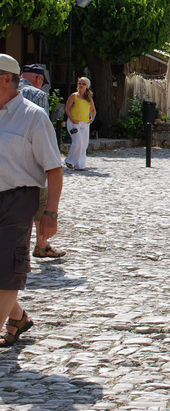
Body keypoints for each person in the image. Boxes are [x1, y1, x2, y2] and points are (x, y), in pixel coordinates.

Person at [0, 54, 63, 347]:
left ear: (4, 80)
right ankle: (18, 317)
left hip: (19, 199)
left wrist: (50, 213)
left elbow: (53, 168)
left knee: (8, 270)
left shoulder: (33, 116)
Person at [20, 65, 65, 258]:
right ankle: (41, 243)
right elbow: (43, 129)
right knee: (41, 200)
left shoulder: (10, 90)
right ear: (39, 79)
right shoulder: (37, 95)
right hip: (32, 157)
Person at [64, 77, 96, 171]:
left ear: (87, 86)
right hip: (74, 123)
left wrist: (92, 118)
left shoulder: (88, 98)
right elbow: (67, 108)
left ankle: (80, 165)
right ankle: (69, 160)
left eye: (83, 84)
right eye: (80, 83)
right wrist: (72, 119)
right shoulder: (74, 96)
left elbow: (93, 110)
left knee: (84, 144)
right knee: (78, 142)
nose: (81, 85)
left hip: (85, 123)